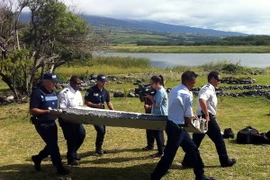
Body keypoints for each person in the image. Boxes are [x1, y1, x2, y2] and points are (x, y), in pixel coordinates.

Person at [151, 71, 215, 180]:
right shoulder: (187, 94)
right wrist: (192, 119)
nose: (194, 85)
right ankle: (155, 177)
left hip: (172, 124)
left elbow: (180, 109)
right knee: (169, 156)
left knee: (193, 149)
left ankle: (200, 175)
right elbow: (187, 117)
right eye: (193, 82)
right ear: (186, 81)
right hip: (177, 128)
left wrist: (189, 116)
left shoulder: (175, 89)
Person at [182, 71, 236, 168]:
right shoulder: (207, 89)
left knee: (196, 141)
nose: (219, 82)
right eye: (218, 80)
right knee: (219, 140)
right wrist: (207, 115)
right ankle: (225, 161)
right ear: (212, 79)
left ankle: (187, 161)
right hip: (206, 117)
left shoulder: (210, 89)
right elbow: (202, 100)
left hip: (203, 116)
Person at [29, 72, 70, 175]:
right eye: (52, 82)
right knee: (53, 146)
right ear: (45, 82)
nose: (54, 84)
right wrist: (47, 112)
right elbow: (33, 110)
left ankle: (37, 158)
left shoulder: (54, 93)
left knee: (51, 145)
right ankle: (59, 168)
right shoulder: (37, 93)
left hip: (52, 123)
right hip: (42, 123)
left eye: (55, 82)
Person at [58, 76, 86, 166]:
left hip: (77, 119)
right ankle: (71, 159)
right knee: (71, 139)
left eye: (80, 83)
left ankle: (72, 153)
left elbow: (80, 106)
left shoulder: (78, 93)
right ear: (71, 83)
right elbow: (62, 108)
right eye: (77, 83)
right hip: (67, 120)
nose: (79, 85)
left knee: (81, 135)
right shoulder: (64, 93)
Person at [84, 74, 114, 155]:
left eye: (105, 81)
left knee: (103, 131)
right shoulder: (91, 90)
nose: (104, 83)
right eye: (102, 81)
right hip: (93, 114)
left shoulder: (105, 91)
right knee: (100, 130)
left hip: (102, 114)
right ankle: (98, 148)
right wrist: (95, 105)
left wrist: (113, 111)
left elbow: (108, 102)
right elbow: (86, 102)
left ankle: (99, 148)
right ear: (97, 81)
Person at [144, 75, 168, 158]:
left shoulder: (161, 91)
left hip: (160, 114)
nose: (151, 85)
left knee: (158, 134)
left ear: (157, 83)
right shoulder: (158, 91)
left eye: (152, 83)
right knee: (156, 133)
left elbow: (157, 105)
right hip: (157, 114)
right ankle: (160, 151)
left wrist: (150, 98)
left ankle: (161, 152)